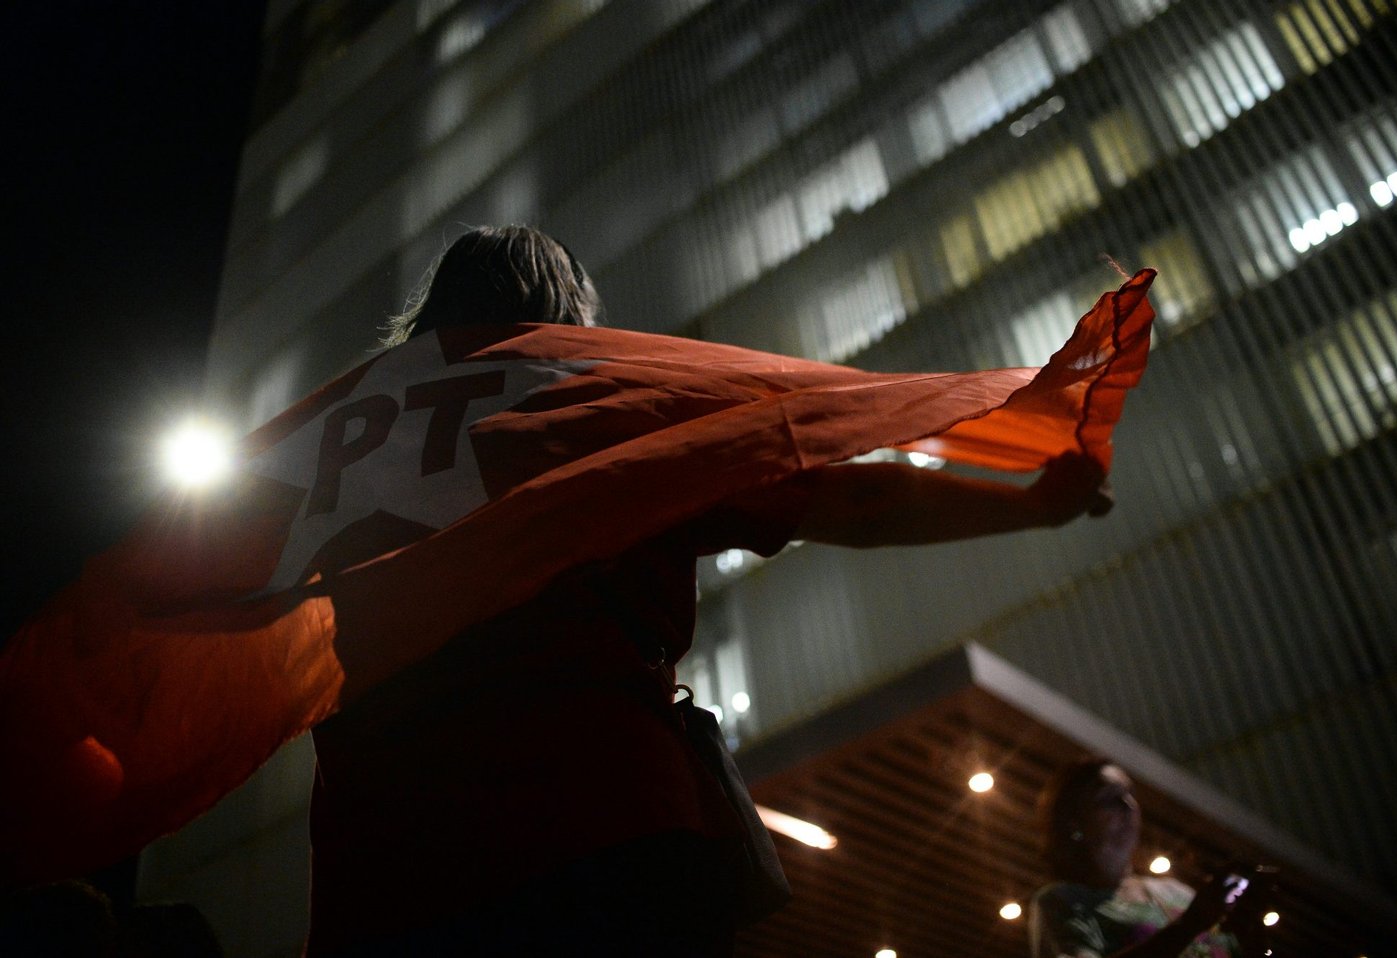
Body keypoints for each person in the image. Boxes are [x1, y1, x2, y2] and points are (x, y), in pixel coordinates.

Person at [302, 225, 1115, 955]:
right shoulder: (599, 404)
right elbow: (849, 498)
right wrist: (1036, 505)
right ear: (567, 315)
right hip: (601, 825)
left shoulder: (339, 461)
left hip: (382, 862)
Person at [1029, 758, 1272, 958]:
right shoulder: (1061, 902)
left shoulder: (1178, 892)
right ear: (1074, 822)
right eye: (1110, 798)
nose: (1128, 805)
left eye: (1130, 794)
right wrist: (1190, 924)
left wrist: (1251, 929)